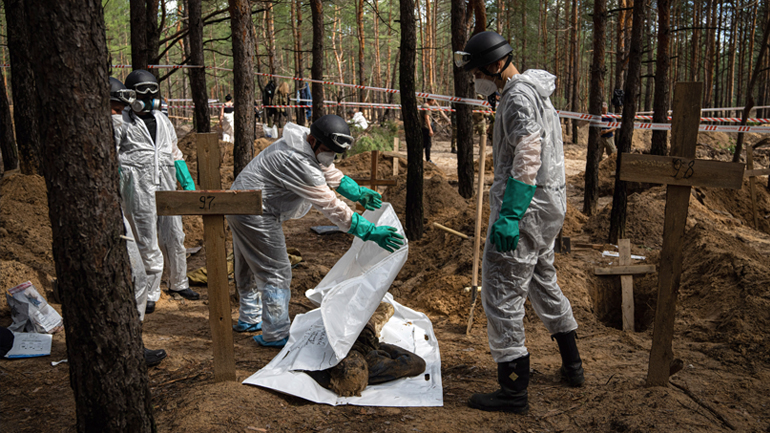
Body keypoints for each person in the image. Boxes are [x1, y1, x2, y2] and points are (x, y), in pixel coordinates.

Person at [454, 31, 584, 414]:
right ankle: (573, 365)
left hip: (525, 207)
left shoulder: (516, 98)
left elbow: (528, 150)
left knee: (502, 291)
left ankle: (513, 391)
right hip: (547, 205)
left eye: (479, 72)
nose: (476, 80)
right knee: (543, 280)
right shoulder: (533, 92)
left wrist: (510, 214)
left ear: (497, 65)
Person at [225, 114, 404, 348]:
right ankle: (276, 332)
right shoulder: (295, 160)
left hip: (240, 205)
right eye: (328, 150)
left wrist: (357, 192)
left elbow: (329, 171)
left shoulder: (305, 144)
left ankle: (250, 317)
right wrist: (369, 231)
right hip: (255, 212)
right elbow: (330, 204)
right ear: (313, 140)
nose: (330, 156)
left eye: (334, 152)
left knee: (249, 265)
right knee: (276, 271)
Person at [116, 70, 201, 317]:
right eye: (143, 94)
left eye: (153, 94)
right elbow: (114, 154)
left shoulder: (163, 120)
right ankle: (151, 292)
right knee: (146, 238)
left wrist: (186, 181)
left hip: (166, 182)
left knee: (175, 234)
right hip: (137, 186)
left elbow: (174, 152)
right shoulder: (122, 121)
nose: (149, 99)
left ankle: (179, 282)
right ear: (132, 96)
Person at [109, 76, 167, 367]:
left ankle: (128, 345)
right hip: (121, 205)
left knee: (139, 272)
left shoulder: (160, 121)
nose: (119, 115)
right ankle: (128, 348)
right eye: (116, 109)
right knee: (136, 275)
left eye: (121, 110)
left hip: (139, 194)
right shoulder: (117, 127)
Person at [421, 99, 437, 163]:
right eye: (434, 100)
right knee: (428, 144)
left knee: (424, 144)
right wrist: (430, 129)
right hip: (426, 128)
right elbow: (427, 119)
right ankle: (428, 159)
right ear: (431, 100)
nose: (434, 102)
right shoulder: (426, 107)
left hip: (424, 128)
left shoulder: (423, 105)